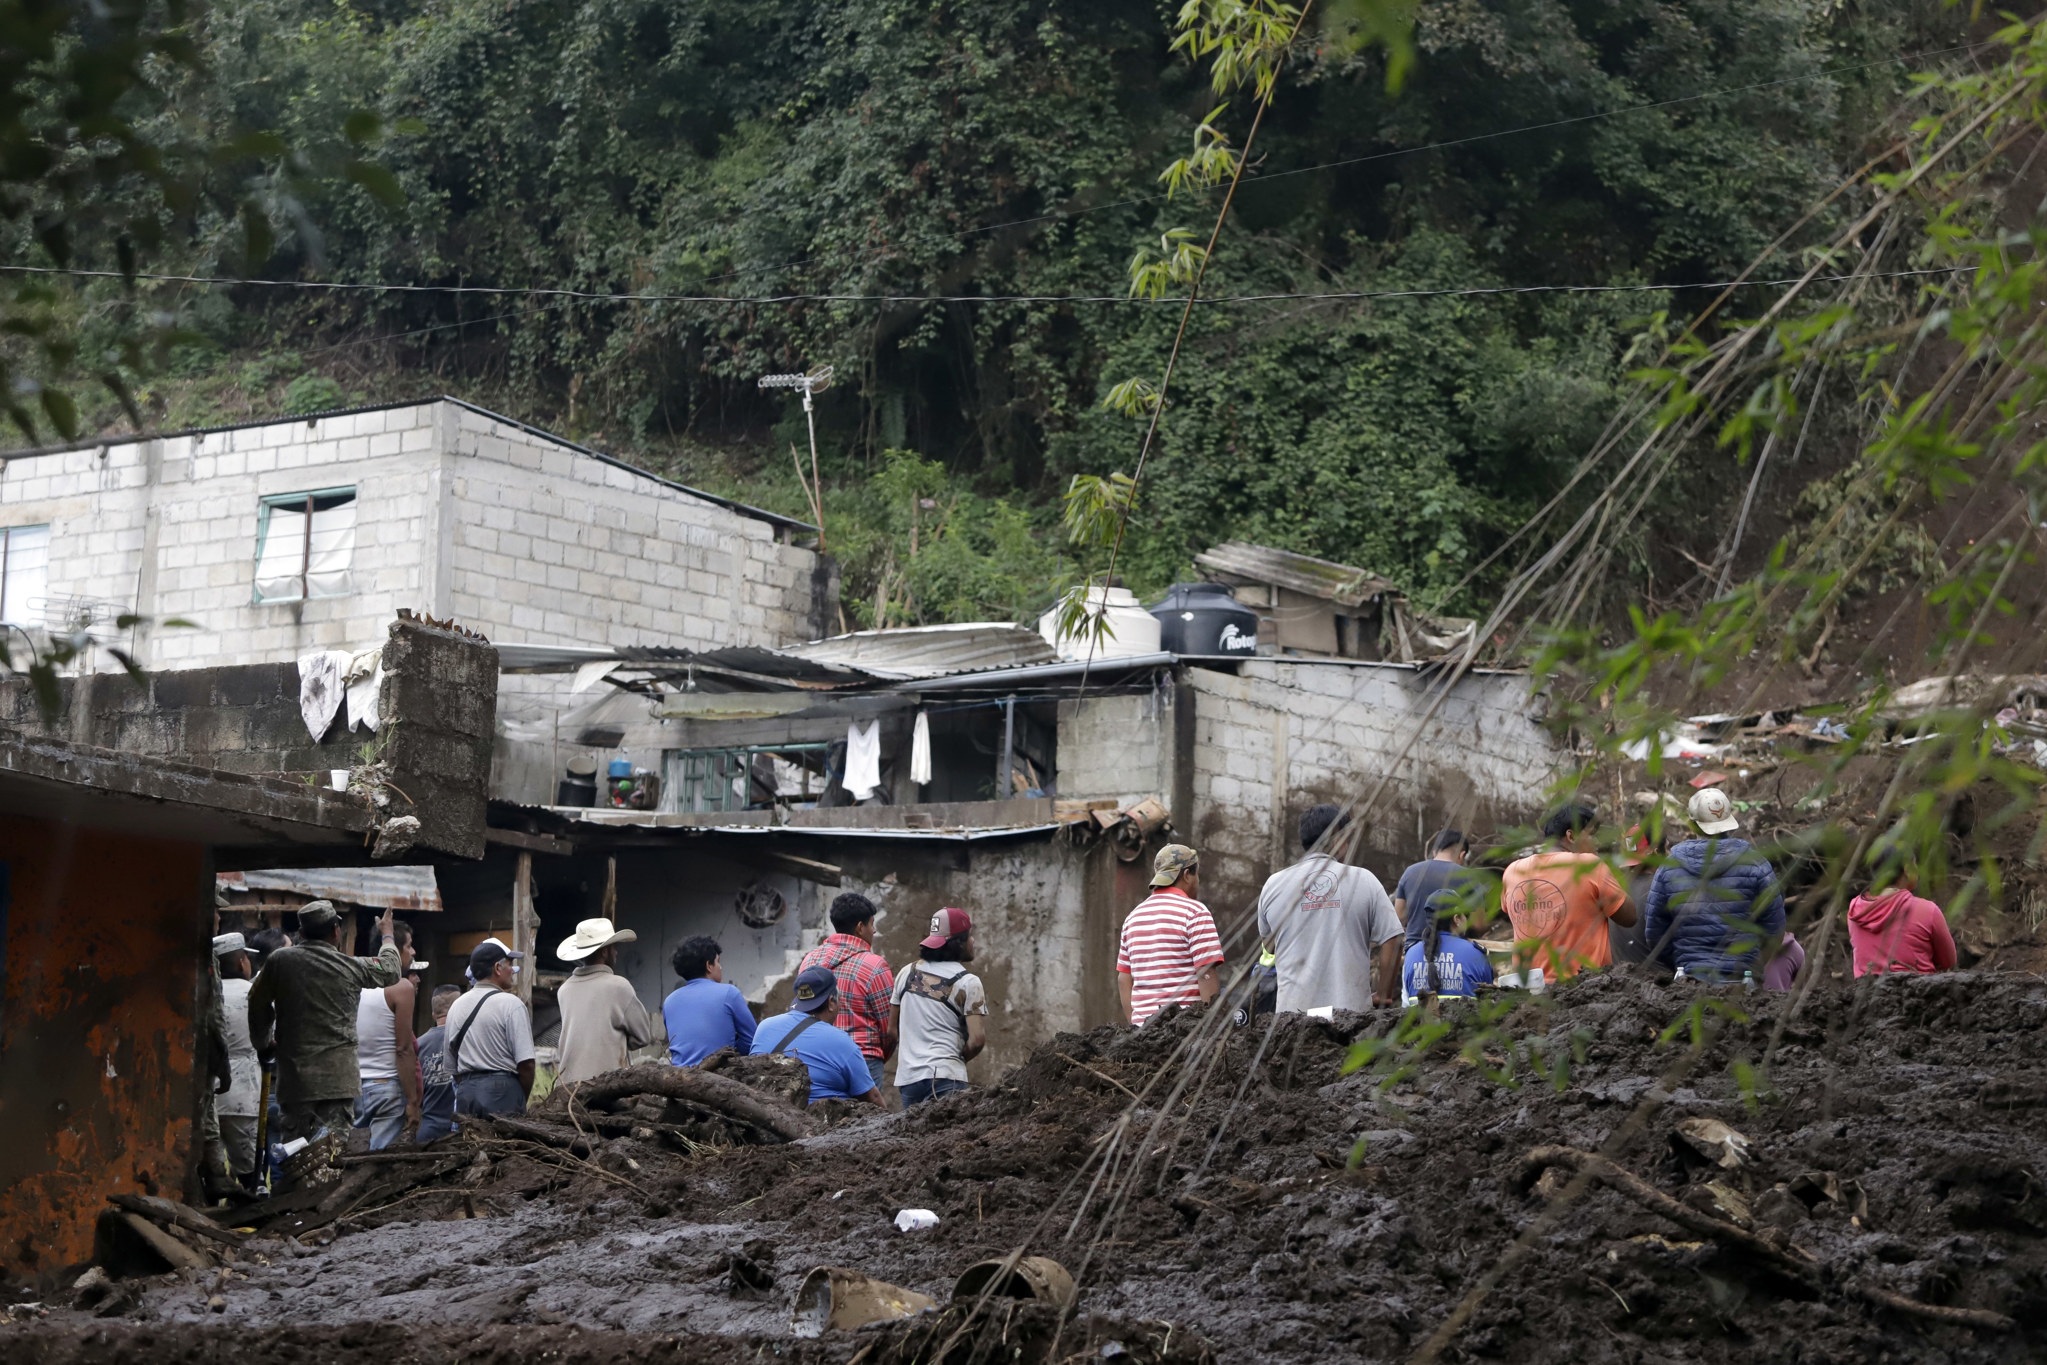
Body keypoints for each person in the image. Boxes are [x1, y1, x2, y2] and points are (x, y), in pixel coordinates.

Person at [247, 901, 402, 1143]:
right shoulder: (349, 966)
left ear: (301, 933)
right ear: (335, 931)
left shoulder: (279, 961)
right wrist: (387, 934)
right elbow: (391, 970)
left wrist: (263, 1042)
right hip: (337, 1081)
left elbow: (257, 1002)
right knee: (331, 1152)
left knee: (295, 1150)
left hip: (295, 1080)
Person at [1257, 806, 1404, 1013]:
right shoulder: (1365, 880)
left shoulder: (1274, 884)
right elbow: (1394, 939)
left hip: (1291, 1019)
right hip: (1350, 1017)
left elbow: (1269, 947)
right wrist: (1383, 994)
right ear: (1338, 838)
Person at [1643, 788, 1787, 981]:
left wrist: (1682, 961)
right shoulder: (1756, 864)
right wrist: (1751, 960)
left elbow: (1655, 932)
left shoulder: (1669, 868)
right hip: (1743, 981)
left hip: (1689, 978)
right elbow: (1774, 929)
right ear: (1728, 823)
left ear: (1693, 825)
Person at [1501, 801, 1638, 982]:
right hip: (1581, 988)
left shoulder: (1513, 870)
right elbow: (1629, 917)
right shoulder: (1589, 866)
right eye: (1591, 835)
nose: (1596, 843)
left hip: (1527, 988)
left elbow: (1509, 911)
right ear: (1571, 836)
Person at [796, 893, 896, 1092]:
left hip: (817, 1057)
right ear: (860, 927)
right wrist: (877, 1055)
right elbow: (889, 1029)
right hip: (863, 1059)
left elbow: (802, 1013)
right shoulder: (875, 965)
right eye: (872, 924)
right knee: (869, 1121)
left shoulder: (809, 961)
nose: (874, 930)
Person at [890, 907, 988, 1106]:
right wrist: (958, 1058)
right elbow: (977, 1040)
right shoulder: (968, 982)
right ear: (958, 943)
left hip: (909, 1080)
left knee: (912, 1136)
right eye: (970, 936)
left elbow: (891, 1031)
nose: (973, 941)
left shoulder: (907, 973)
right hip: (947, 1078)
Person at [1118, 844, 1225, 1026]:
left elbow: (1123, 978)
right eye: (1196, 874)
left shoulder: (1132, 918)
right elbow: (1206, 973)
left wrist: (1134, 1025)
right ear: (1186, 876)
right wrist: (1211, 1027)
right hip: (1182, 1033)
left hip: (1141, 1033)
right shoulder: (1195, 912)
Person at [750, 966, 885, 1106]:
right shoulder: (841, 1042)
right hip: (822, 1124)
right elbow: (873, 1099)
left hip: (764, 1118)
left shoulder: (764, 1027)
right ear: (831, 1002)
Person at [554, 917, 655, 1084]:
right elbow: (643, 1036)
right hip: (607, 1086)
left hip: (568, 1086)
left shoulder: (564, 990)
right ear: (604, 952)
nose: (616, 952)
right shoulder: (619, 987)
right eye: (613, 948)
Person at [445, 941, 536, 1116]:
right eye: (509, 964)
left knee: (470, 1143)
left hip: (466, 1094)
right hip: (502, 1092)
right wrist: (519, 1097)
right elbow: (527, 1064)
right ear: (497, 968)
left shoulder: (456, 1006)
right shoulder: (512, 1004)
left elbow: (451, 1066)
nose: (512, 970)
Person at [352, 920, 421, 1150]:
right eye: (409, 946)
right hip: (386, 1088)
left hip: (352, 1087)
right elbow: (403, 1049)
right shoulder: (401, 988)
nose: (413, 952)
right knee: (379, 1165)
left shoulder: (353, 984)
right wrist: (412, 1101)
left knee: (352, 1155)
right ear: (395, 949)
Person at [212, 933, 263, 1184]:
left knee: (210, 1165)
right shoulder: (254, 993)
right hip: (245, 1094)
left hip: (208, 1091)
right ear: (243, 961)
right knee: (247, 1165)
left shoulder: (206, 994)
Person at [663, 935, 757, 1065]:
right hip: (720, 1076)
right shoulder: (729, 993)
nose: (720, 967)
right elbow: (751, 1040)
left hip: (679, 1077)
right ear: (709, 966)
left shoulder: (669, 1001)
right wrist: (729, 1053)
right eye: (718, 961)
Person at [1848, 874, 1957, 977]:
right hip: (1918, 992)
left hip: (1868, 994)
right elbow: (1948, 961)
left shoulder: (1856, 911)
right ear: (1906, 871)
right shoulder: (1927, 910)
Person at [1401, 890, 1496, 999]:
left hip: (1420, 1017)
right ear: (1457, 919)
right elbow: (1489, 1001)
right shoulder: (1477, 954)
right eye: (1465, 915)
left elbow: (1406, 1004)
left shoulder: (1411, 955)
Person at [1394, 829, 1478, 948]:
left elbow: (1399, 916)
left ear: (1434, 852)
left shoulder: (1410, 872)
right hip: (1455, 954)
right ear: (1462, 854)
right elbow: (1478, 924)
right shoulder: (1468, 876)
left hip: (1414, 951)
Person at [414, 984, 461, 1143]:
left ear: (433, 1014)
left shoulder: (419, 1045)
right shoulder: (468, 1039)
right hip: (461, 1130)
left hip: (428, 1130)